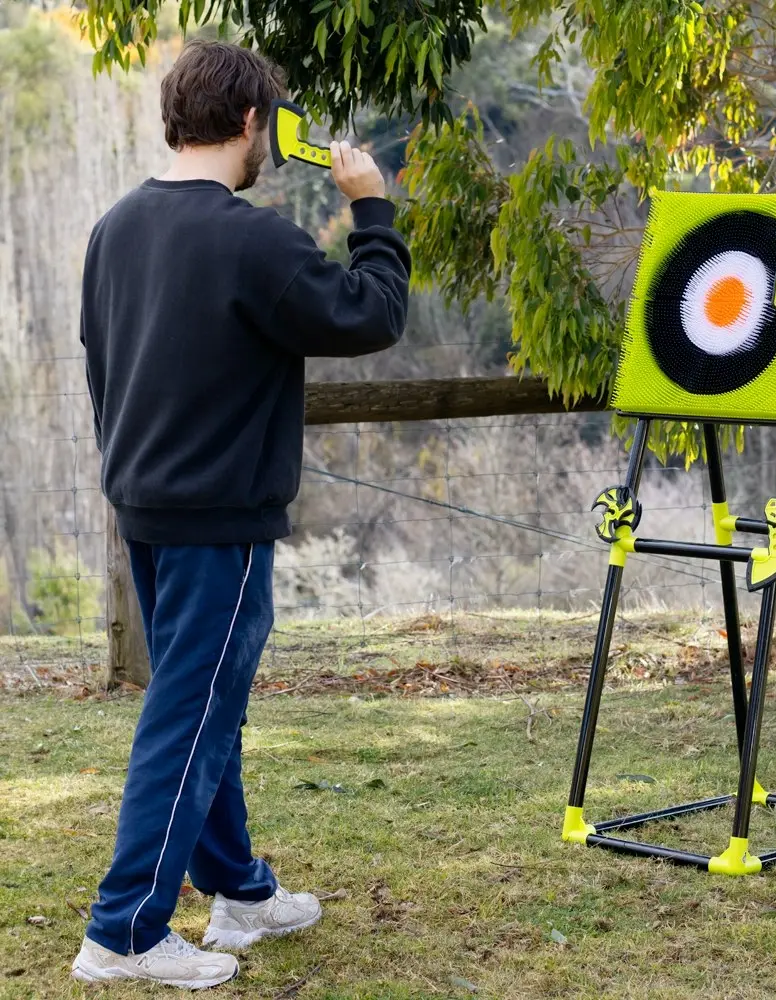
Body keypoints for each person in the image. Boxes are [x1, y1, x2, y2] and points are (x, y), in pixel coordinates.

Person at [72, 39, 410, 989]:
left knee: (199, 701)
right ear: (255, 123)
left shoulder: (113, 228)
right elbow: (372, 315)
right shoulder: (253, 236)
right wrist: (370, 208)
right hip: (218, 518)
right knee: (191, 712)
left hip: (143, 506)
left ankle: (240, 891)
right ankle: (125, 931)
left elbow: (103, 365)